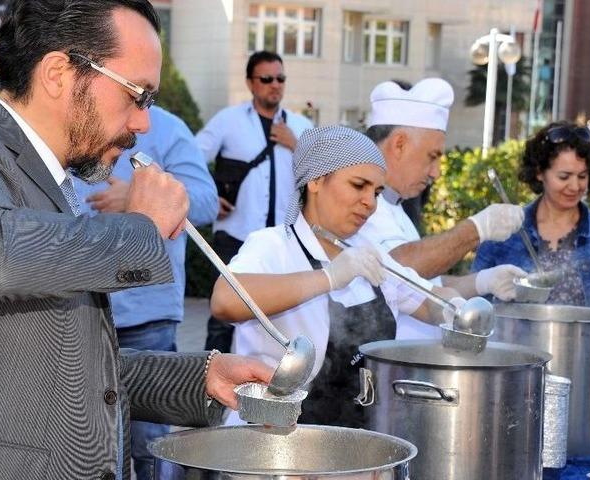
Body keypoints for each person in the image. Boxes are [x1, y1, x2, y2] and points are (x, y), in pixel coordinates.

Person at [0, 1, 271, 478]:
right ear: (58, 73)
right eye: (138, 95)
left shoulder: (51, 179)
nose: (143, 124)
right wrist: (141, 227)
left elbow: (64, 364)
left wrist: (201, 377)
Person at [211, 125, 466, 429]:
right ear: (316, 180)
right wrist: (330, 277)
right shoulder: (273, 246)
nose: (370, 202)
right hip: (271, 439)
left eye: (377, 192)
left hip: (350, 440)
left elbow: (429, 302)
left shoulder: (367, 258)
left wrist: (459, 308)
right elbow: (225, 300)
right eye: (359, 185)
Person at [72, 105, 218, 480]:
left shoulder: (168, 128)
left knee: (151, 446)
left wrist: (139, 201)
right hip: (77, 310)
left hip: (146, 314)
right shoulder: (73, 120)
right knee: (87, 444)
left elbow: (205, 201)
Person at [358, 78, 526, 339]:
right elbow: (393, 269)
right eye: (432, 156)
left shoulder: (397, 207)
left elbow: (422, 285)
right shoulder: (361, 207)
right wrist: (476, 229)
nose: (435, 172)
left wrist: (482, 281)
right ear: (399, 144)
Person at [196, 50, 313, 353]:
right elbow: (192, 159)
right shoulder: (229, 120)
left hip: (284, 240)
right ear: (250, 83)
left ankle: (268, 385)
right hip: (235, 235)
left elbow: (323, 176)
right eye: (266, 79)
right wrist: (211, 196)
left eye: (280, 78)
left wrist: (295, 144)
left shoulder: (300, 126)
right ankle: (210, 391)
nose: (275, 85)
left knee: (281, 318)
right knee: (224, 318)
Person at [472, 121, 590, 329]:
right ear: (539, 173)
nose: (575, 186)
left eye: (582, 176)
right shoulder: (504, 232)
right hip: (516, 356)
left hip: (587, 353)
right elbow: (476, 299)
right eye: (564, 176)